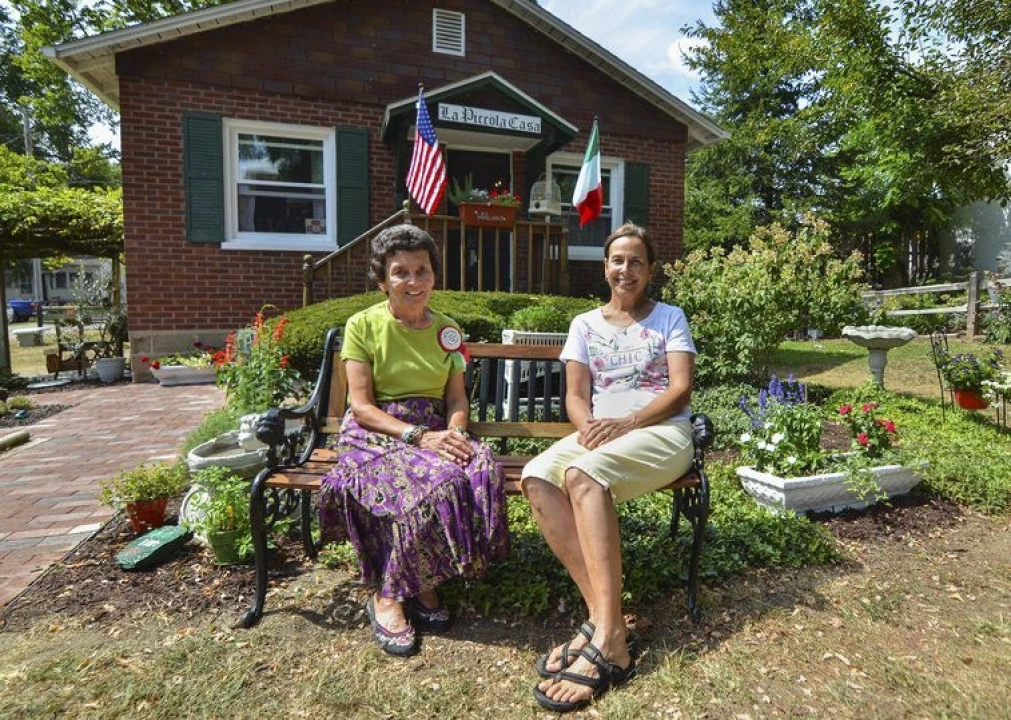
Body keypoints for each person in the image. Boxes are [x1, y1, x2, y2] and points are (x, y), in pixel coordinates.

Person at [520, 222, 696, 712]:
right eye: (618, 260)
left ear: (650, 270)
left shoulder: (670, 318)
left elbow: (680, 388)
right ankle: (606, 621)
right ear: (605, 268)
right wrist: (592, 430)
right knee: (538, 476)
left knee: (583, 475)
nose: (626, 269)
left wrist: (628, 423)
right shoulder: (584, 324)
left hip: (661, 431)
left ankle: (610, 642)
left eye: (636, 261)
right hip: (601, 433)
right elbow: (576, 396)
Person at [319, 223, 510, 657]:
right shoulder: (362, 325)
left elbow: (456, 398)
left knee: (480, 468)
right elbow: (362, 407)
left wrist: (455, 434)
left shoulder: (448, 329)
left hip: (434, 428)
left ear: (433, 275)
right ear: (382, 280)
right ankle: (388, 595)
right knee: (437, 482)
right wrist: (418, 437)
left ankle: (426, 577)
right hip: (377, 431)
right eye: (400, 272)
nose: (413, 280)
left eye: (421, 270)